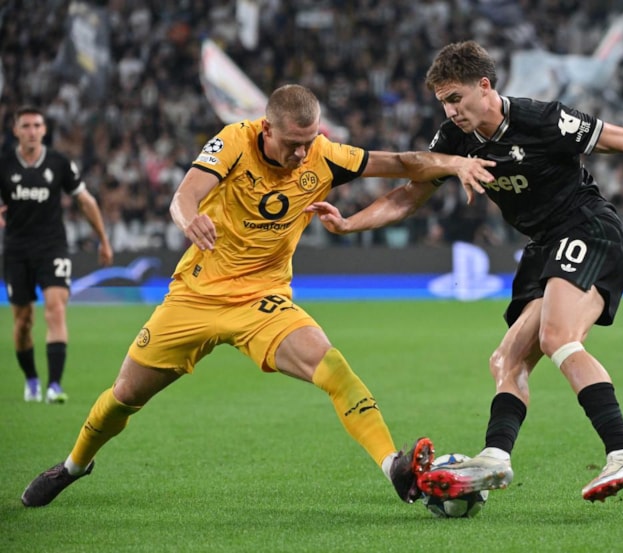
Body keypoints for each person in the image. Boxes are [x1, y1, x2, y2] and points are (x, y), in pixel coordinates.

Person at [20, 84, 495, 507]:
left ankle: (393, 467)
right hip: (195, 297)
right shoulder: (234, 141)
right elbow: (183, 196)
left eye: (309, 141)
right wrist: (189, 220)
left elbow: (403, 164)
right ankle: (74, 466)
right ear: (267, 129)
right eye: (292, 144)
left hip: (263, 300)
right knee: (124, 395)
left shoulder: (325, 155)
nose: (301, 154)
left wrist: (456, 163)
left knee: (333, 368)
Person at [306, 41, 623, 502]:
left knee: (557, 336)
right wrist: (349, 223)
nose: (450, 111)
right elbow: (409, 195)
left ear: (484, 86)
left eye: (456, 98)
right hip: (544, 247)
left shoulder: (542, 119)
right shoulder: (454, 140)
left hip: (587, 228)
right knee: (506, 361)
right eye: (443, 102)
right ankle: (496, 457)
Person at [1, 106, 113, 404]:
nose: (32, 131)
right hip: (16, 250)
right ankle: (31, 379)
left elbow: (85, 201)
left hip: (52, 247)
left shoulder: (59, 162)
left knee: (56, 308)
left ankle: (54, 386)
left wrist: (103, 240)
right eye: (26, 126)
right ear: (16, 131)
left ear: (44, 130)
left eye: (37, 125)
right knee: (23, 322)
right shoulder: (4, 163)